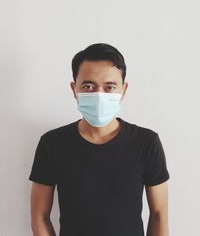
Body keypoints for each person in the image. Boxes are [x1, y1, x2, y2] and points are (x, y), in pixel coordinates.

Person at [29, 43, 170, 236]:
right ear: (74, 88)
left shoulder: (146, 142)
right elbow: (39, 217)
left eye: (109, 87)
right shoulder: (52, 143)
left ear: (124, 89)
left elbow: (159, 215)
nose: (99, 95)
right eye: (88, 86)